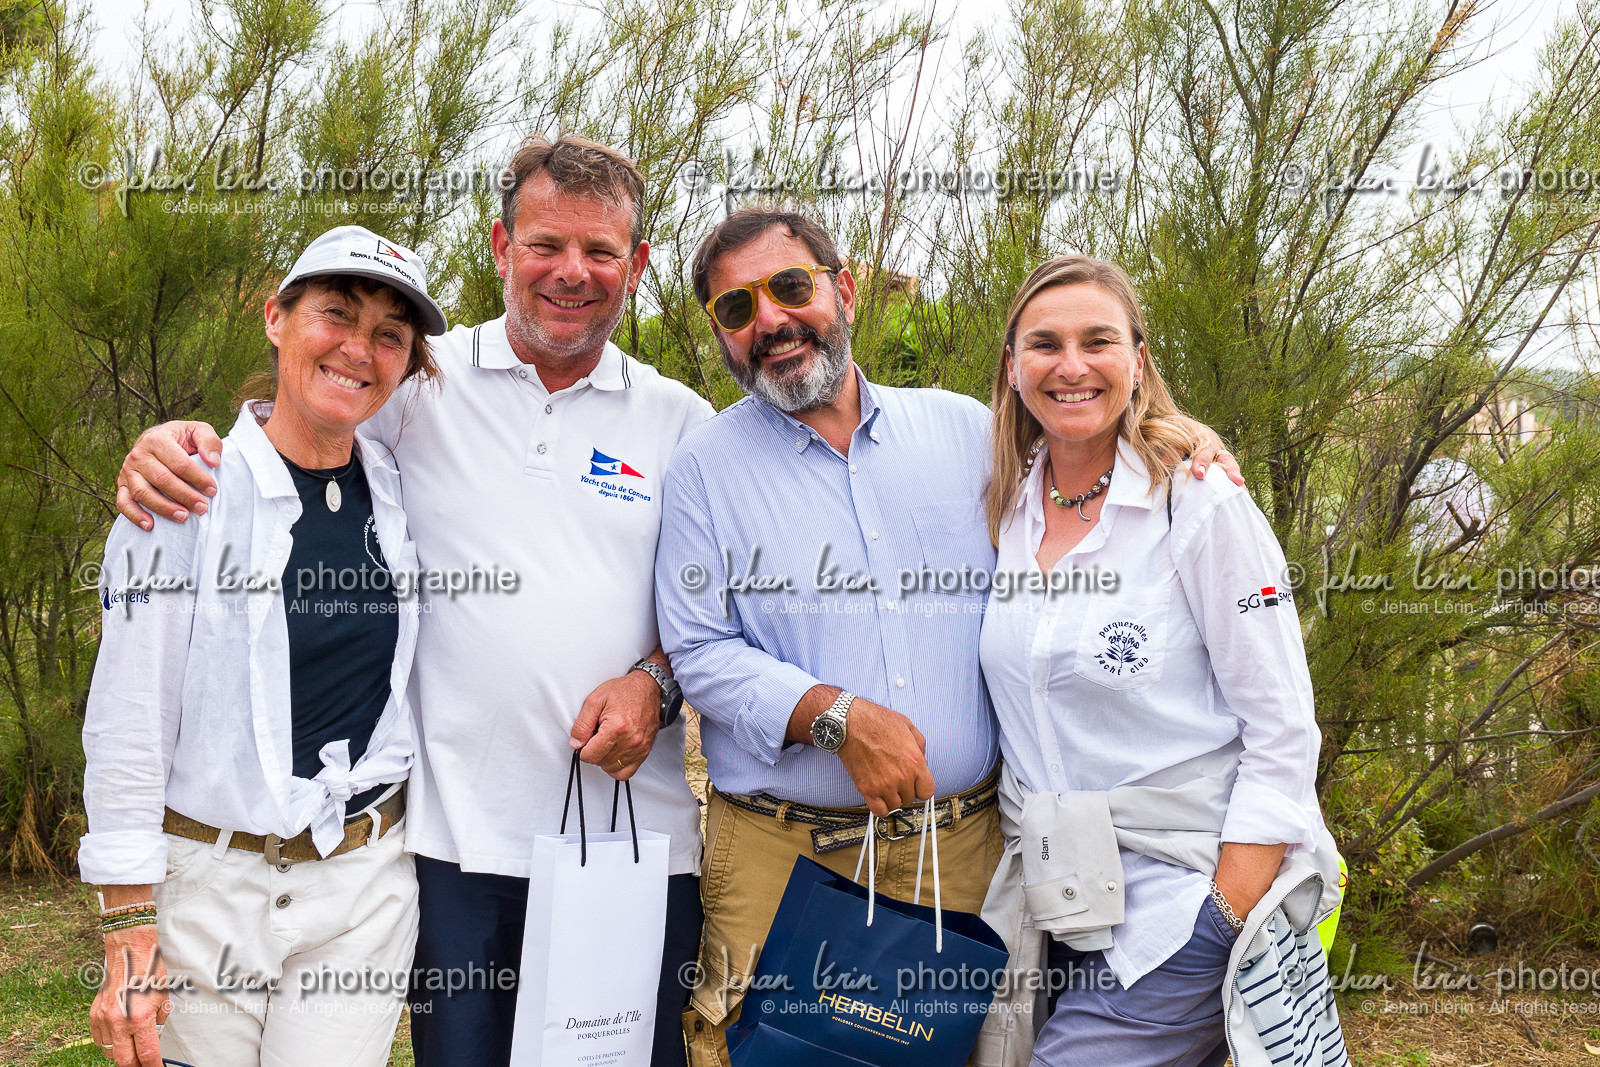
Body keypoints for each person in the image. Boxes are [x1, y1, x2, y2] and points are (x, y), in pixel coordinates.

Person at [111, 137, 710, 1067]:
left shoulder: (682, 423)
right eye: (546, 244)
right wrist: (174, 445)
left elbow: (717, 620)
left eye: (600, 251)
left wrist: (655, 684)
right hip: (451, 850)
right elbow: (301, 420)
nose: (572, 271)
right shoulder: (421, 380)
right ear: (502, 247)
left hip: (630, 847)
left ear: (634, 266)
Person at [654, 210, 1244, 1066]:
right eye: (737, 307)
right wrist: (834, 716)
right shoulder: (702, 470)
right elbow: (700, 650)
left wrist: (1178, 437)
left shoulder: (968, 432)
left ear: (842, 288)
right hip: (784, 858)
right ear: (720, 332)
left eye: (790, 287)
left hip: (965, 857)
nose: (771, 320)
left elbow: (1084, 447)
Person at [80, 225, 446, 1067]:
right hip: (211, 892)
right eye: (336, 314)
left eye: (389, 334)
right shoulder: (186, 495)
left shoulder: (401, 489)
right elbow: (128, 718)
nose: (358, 348)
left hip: (361, 890)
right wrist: (128, 925)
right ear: (276, 318)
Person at [972, 255, 1346, 1066]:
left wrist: (1223, 914)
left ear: (1138, 360)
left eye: (1098, 341)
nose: (1071, 365)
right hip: (1053, 905)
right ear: (1012, 366)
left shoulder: (1198, 502)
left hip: (1175, 910)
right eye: (1045, 344)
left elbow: (1283, 725)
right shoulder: (1005, 503)